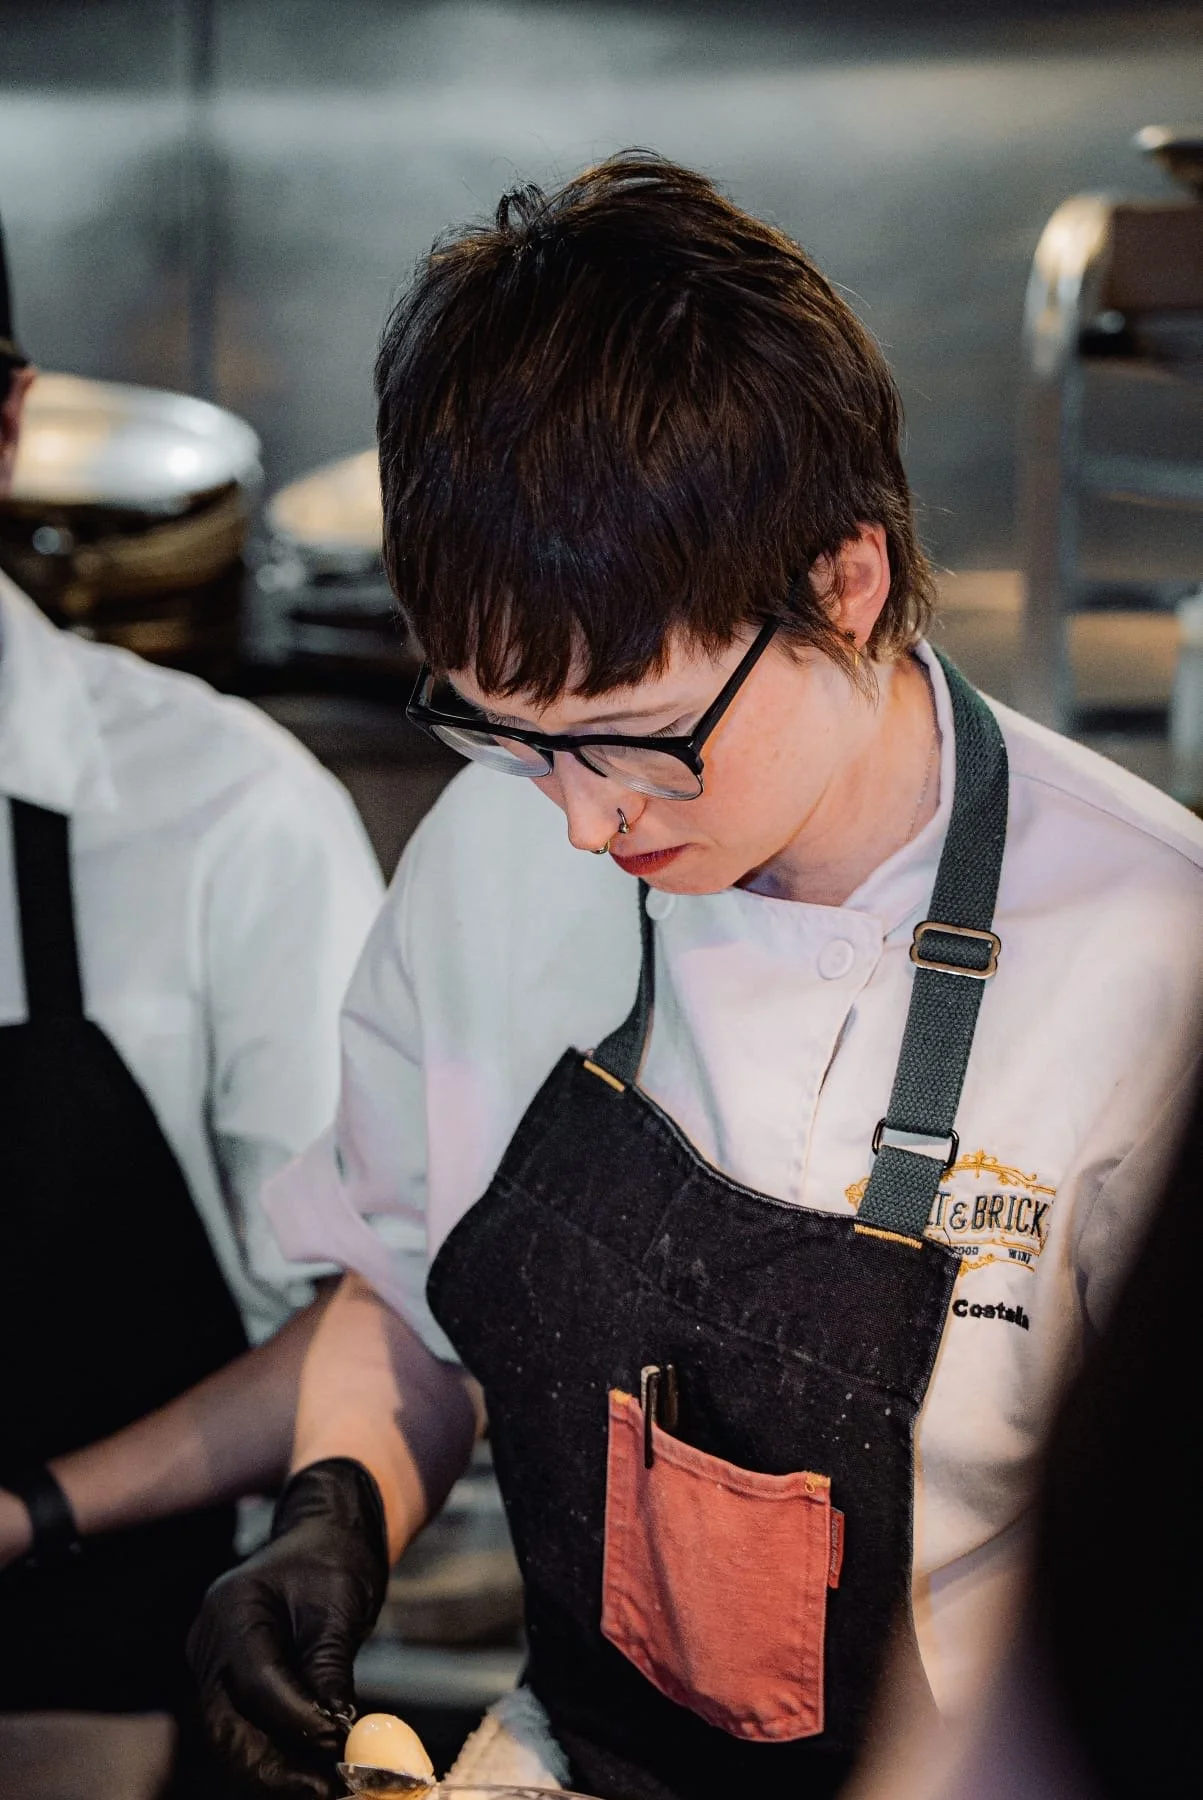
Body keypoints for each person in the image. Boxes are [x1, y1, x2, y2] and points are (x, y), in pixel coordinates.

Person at [187, 154, 1203, 1800]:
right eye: (511, 736)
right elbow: (394, 1274)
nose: (583, 824)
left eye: (635, 743)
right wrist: (332, 1519)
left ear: (842, 584)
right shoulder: (491, 850)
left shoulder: (1156, 964)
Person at [0, 218, 384, 1736]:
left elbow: (380, 1308)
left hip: (92, 1693)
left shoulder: (225, 810)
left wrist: (32, 1510)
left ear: (9, 422)